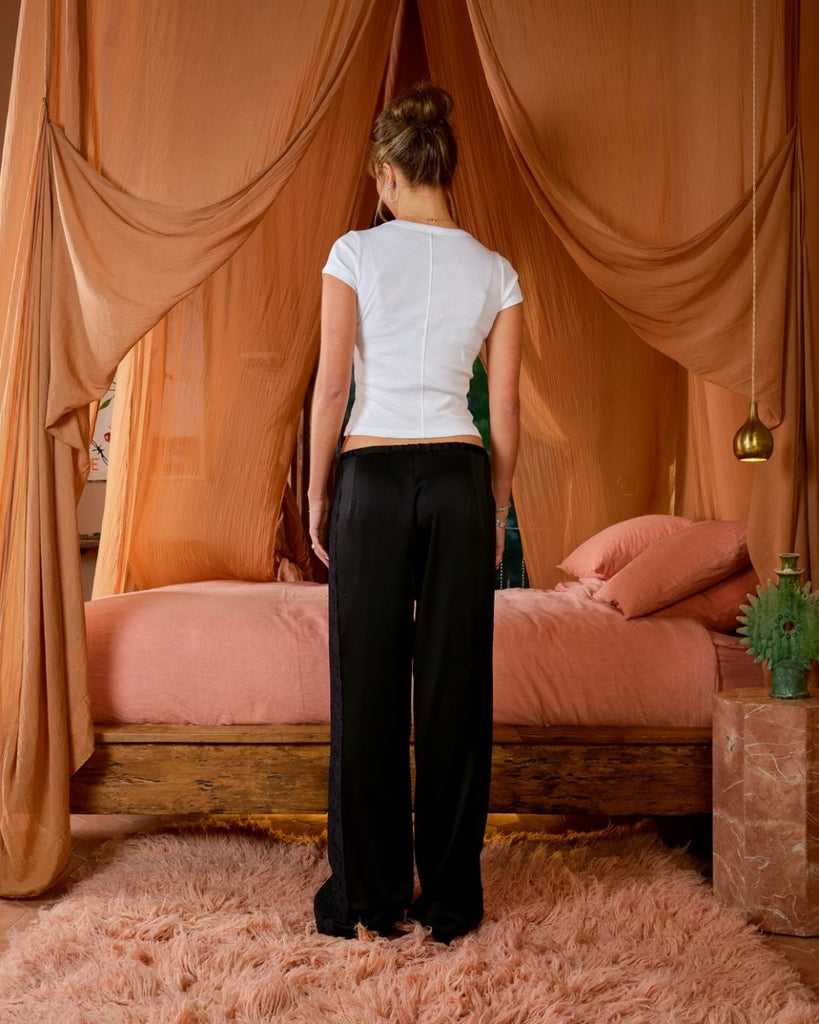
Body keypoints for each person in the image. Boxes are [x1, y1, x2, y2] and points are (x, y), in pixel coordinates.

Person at [308, 84, 523, 944]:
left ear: (390, 173)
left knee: (364, 685)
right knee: (453, 692)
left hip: (370, 474)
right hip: (460, 477)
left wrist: (318, 495)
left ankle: (367, 897)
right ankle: (450, 901)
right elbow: (504, 411)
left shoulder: (353, 253)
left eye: (378, 180)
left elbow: (332, 388)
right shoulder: (496, 271)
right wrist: (496, 507)